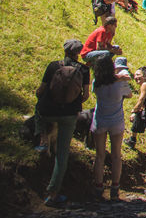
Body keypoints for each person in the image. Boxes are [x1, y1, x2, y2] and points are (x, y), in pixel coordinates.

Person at [35, 39, 91, 207]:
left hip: (48, 111)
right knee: (62, 154)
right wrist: (73, 103)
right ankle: (52, 194)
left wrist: (42, 100)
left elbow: (41, 90)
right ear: (79, 53)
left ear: (65, 51)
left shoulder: (53, 66)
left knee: (39, 110)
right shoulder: (84, 69)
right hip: (69, 115)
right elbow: (86, 95)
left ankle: (42, 139)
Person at [90, 55, 133, 201]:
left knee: (99, 155)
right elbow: (129, 94)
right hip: (116, 120)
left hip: (100, 119)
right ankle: (115, 188)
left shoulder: (96, 82)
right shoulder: (120, 83)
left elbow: (93, 93)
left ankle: (98, 187)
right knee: (116, 155)